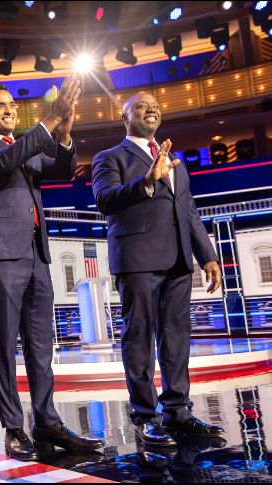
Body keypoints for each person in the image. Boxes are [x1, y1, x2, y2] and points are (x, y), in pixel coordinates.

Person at [0, 75, 104, 461]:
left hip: (37, 256)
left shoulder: (26, 146)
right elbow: (6, 162)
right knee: (5, 346)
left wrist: (66, 134)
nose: (8, 110)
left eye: (11, 105)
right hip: (2, 255)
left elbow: (58, 169)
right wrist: (48, 123)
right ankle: (12, 427)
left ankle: (47, 421)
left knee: (42, 346)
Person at [91, 92, 224, 446]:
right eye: (142, 106)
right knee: (139, 338)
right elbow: (105, 201)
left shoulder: (175, 160)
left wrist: (207, 255)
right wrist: (148, 180)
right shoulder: (109, 157)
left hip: (179, 260)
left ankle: (178, 412)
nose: (152, 109)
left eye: (157, 106)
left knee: (177, 338)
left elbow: (189, 211)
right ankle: (145, 416)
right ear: (125, 117)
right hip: (137, 261)